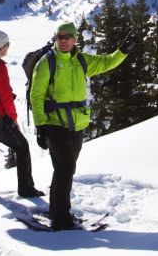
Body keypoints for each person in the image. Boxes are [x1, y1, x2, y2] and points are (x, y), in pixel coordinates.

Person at [30, 21, 135, 231]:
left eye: (67, 37)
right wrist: (41, 126)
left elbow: (106, 63)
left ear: (75, 39)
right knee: (66, 168)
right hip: (55, 124)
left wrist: (122, 51)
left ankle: (58, 210)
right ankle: (60, 219)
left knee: (64, 169)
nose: (63, 41)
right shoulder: (46, 63)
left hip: (77, 124)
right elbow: (36, 95)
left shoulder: (82, 60)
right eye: (60, 37)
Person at [0, 29, 44, 199]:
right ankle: (26, 189)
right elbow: (5, 97)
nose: (9, 47)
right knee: (22, 147)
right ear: (2, 46)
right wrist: (13, 118)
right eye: (7, 44)